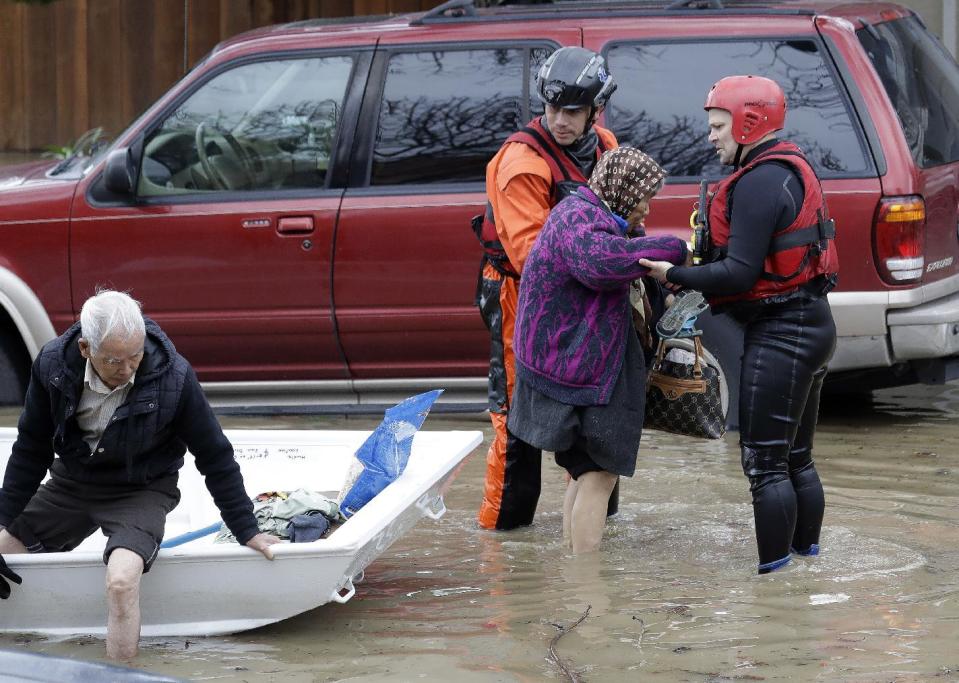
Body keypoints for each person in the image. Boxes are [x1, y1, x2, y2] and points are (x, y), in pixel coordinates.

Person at [0, 290, 279, 660]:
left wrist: (247, 528)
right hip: (74, 480)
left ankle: (121, 671)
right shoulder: (52, 365)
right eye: (115, 360)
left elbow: (214, 455)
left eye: (136, 356)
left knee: (120, 581)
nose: (128, 369)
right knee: (4, 548)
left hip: (142, 488)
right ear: (85, 348)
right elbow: (31, 450)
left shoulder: (174, 376)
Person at [640, 75, 839, 574]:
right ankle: (805, 565)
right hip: (812, 324)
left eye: (717, 125)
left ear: (749, 123)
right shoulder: (785, 171)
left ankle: (775, 587)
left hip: (782, 334)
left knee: (764, 465)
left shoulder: (759, 181)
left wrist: (674, 274)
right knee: (797, 459)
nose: (710, 136)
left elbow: (739, 272)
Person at [509, 146, 688, 553]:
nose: (647, 207)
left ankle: (575, 572)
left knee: (586, 471)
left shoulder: (600, 216)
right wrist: (676, 250)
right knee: (600, 474)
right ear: (624, 190)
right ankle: (588, 583)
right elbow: (601, 264)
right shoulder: (579, 218)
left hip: (573, 363)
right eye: (645, 196)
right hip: (577, 366)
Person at [475, 46, 619, 531]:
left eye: (572, 111)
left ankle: (596, 528)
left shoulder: (606, 146)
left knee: (599, 408)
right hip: (521, 294)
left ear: (595, 111)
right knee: (518, 419)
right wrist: (609, 263)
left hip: (589, 289)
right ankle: (504, 542)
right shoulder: (521, 163)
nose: (559, 120)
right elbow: (533, 257)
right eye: (553, 108)